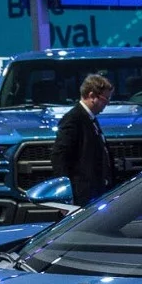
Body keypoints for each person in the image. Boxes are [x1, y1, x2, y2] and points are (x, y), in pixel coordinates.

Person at [50, 73, 115, 205]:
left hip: (95, 191)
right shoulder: (73, 119)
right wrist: (64, 194)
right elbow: (59, 156)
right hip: (82, 194)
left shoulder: (90, 118)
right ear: (92, 96)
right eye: (105, 99)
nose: (107, 104)